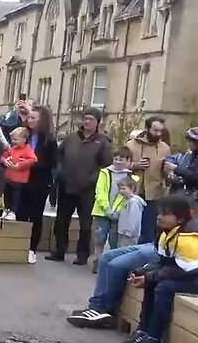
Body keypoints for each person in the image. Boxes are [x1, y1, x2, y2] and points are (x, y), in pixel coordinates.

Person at [121, 195, 198, 343]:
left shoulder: (189, 239)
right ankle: (144, 329)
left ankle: (154, 337)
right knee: (152, 282)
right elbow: (165, 263)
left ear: (180, 218)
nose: (160, 217)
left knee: (165, 286)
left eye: (166, 214)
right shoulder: (168, 232)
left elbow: (182, 270)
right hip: (196, 274)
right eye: (160, 212)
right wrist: (143, 272)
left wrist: (150, 276)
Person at [49, 107, 112, 265]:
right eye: (85, 118)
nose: (87, 121)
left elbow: (105, 166)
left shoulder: (103, 142)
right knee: (61, 221)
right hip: (66, 186)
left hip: (87, 190)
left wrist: (91, 180)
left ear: (97, 122)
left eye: (91, 119)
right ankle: (59, 250)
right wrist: (59, 172)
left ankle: (82, 255)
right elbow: (59, 156)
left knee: (85, 225)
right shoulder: (70, 138)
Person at [14, 106, 57, 263]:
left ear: (42, 120)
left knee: (35, 216)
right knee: (20, 213)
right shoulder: (24, 135)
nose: (29, 120)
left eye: (33, 118)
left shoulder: (49, 140)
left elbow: (52, 163)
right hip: (22, 181)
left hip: (39, 183)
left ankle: (32, 248)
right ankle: (19, 246)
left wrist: (30, 163)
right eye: (29, 117)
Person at [90, 147, 139, 271]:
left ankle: (111, 262)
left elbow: (127, 196)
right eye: (115, 159)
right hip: (102, 211)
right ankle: (98, 260)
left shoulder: (131, 177)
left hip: (119, 214)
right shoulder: (105, 172)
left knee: (114, 239)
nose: (117, 162)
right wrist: (106, 208)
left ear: (128, 160)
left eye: (121, 159)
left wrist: (117, 210)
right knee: (100, 237)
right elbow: (100, 191)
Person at [128, 116, 171, 243]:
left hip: (154, 194)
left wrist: (169, 172)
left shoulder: (165, 148)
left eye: (160, 131)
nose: (158, 134)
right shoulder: (131, 145)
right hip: (133, 192)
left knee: (149, 231)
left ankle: (145, 260)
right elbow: (118, 165)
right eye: (155, 130)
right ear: (147, 129)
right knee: (130, 230)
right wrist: (134, 165)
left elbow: (166, 172)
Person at [1, 127, 37, 219]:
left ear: (24, 139)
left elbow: (33, 159)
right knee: (7, 194)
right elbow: (3, 157)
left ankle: (13, 211)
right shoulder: (11, 149)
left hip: (19, 179)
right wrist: (5, 161)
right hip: (9, 176)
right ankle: (6, 209)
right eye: (12, 139)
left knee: (16, 196)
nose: (13, 141)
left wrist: (20, 165)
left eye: (15, 139)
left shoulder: (27, 149)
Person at [114, 177, 145, 249]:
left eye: (123, 189)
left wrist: (129, 231)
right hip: (123, 233)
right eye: (119, 189)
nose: (121, 191)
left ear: (132, 188)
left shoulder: (133, 202)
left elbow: (133, 218)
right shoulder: (126, 201)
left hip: (129, 234)